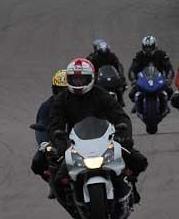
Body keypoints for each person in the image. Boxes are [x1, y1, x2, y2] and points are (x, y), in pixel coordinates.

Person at [49, 58, 148, 204]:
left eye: (82, 79)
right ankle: (71, 202)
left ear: (91, 78)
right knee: (58, 178)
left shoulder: (101, 94)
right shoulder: (62, 99)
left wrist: (124, 135)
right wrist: (59, 141)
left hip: (104, 139)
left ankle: (130, 184)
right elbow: (54, 124)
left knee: (139, 161)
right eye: (75, 79)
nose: (78, 83)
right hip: (75, 143)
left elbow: (120, 116)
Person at [31, 69, 67, 188]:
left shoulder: (81, 102)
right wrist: (44, 144)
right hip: (57, 141)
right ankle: (52, 181)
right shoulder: (46, 107)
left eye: (66, 91)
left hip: (79, 140)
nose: (62, 94)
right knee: (37, 162)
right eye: (59, 90)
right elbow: (41, 126)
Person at [128, 35, 174, 107]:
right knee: (131, 94)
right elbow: (132, 69)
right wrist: (133, 79)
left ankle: (164, 105)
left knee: (170, 92)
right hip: (143, 80)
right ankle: (137, 105)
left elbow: (169, 67)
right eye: (146, 47)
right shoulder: (138, 55)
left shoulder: (162, 54)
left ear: (155, 46)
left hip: (158, 80)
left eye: (150, 47)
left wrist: (168, 78)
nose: (148, 49)